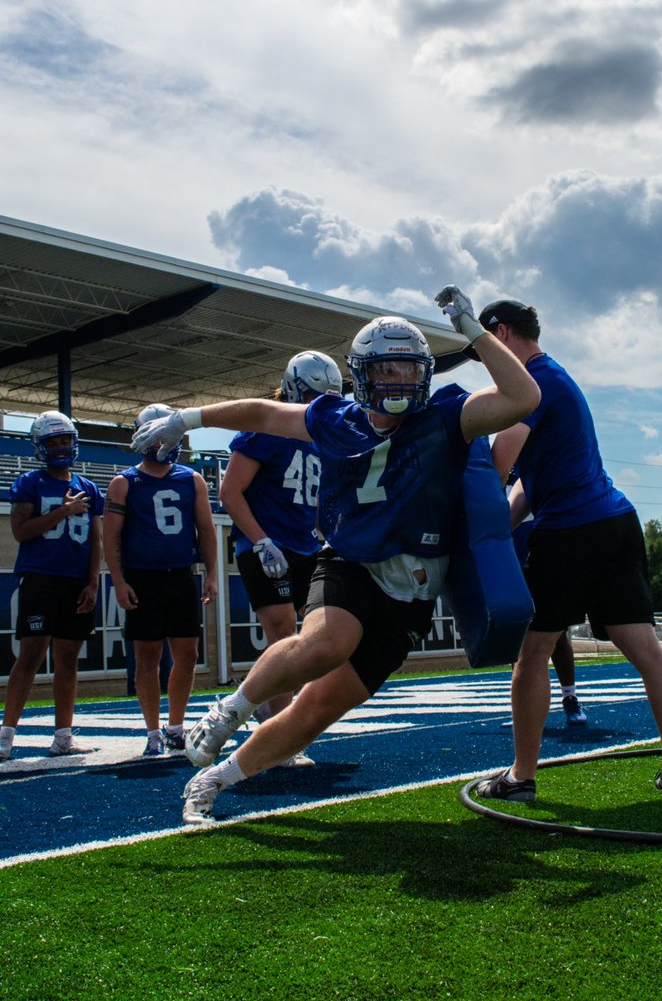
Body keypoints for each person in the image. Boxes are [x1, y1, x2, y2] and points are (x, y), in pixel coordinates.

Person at [130, 286, 541, 822]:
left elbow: (522, 397)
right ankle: (230, 710)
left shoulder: (446, 418)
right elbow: (261, 412)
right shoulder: (334, 418)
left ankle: (214, 778)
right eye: (387, 370)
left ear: (425, 373)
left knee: (321, 707)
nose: (399, 382)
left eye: (409, 369)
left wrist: (472, 331)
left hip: (413, 588)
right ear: (362, 373)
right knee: (327, 641)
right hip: (349, 560)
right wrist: (189, 419)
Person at [467, 298, 662, 801]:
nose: (484, 361)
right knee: (644, 648)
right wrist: (495, 531)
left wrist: (469, 525)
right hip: (615, 521)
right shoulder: (554, 377)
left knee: (533, 652)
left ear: (502, 334)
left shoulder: (532, 385)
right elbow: (527, 486)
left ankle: (521, 777)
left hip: (572, 530)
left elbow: (498, 465)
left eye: (484, 348)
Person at [220, 351, 344, 768]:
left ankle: (259, 696)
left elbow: (318, 502)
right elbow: (230, 491)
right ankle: (281, 736)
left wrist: (328, 536)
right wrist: (260, 541)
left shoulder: (323, 437)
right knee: (281, 631)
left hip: (305, 544)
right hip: (266, 545)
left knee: (313, 639)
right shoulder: (266, 429)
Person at [103, 404, 218, 757]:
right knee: (147, 657)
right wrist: (119, 582)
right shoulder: (124, 483)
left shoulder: (191, 478)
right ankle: (153, 731)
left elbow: (206, 529)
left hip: (180, 575)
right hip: (143, 578)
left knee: (187, 654)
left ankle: (176, 727)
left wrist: (212, 573)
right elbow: (110, 538)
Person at [0, 412, 102, 762]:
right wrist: (62, 511)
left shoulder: (89, 488)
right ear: (39, 447)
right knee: (29, 657)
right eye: (52, 442)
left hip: (76, 583)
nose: (60, 447)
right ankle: (6, 736)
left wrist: (93, 582)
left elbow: (96, 540)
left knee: (68, 661)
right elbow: (21, 532)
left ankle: (63, 736)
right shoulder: (30, 483)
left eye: (64, 440)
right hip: (41, 580)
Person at [511, 518, 587, 726]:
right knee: (516, 638)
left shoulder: (532, 487)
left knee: (558, 633)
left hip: (542, 556)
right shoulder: (498, 486)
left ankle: (570, 697)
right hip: (511, 561)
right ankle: (522, 707)